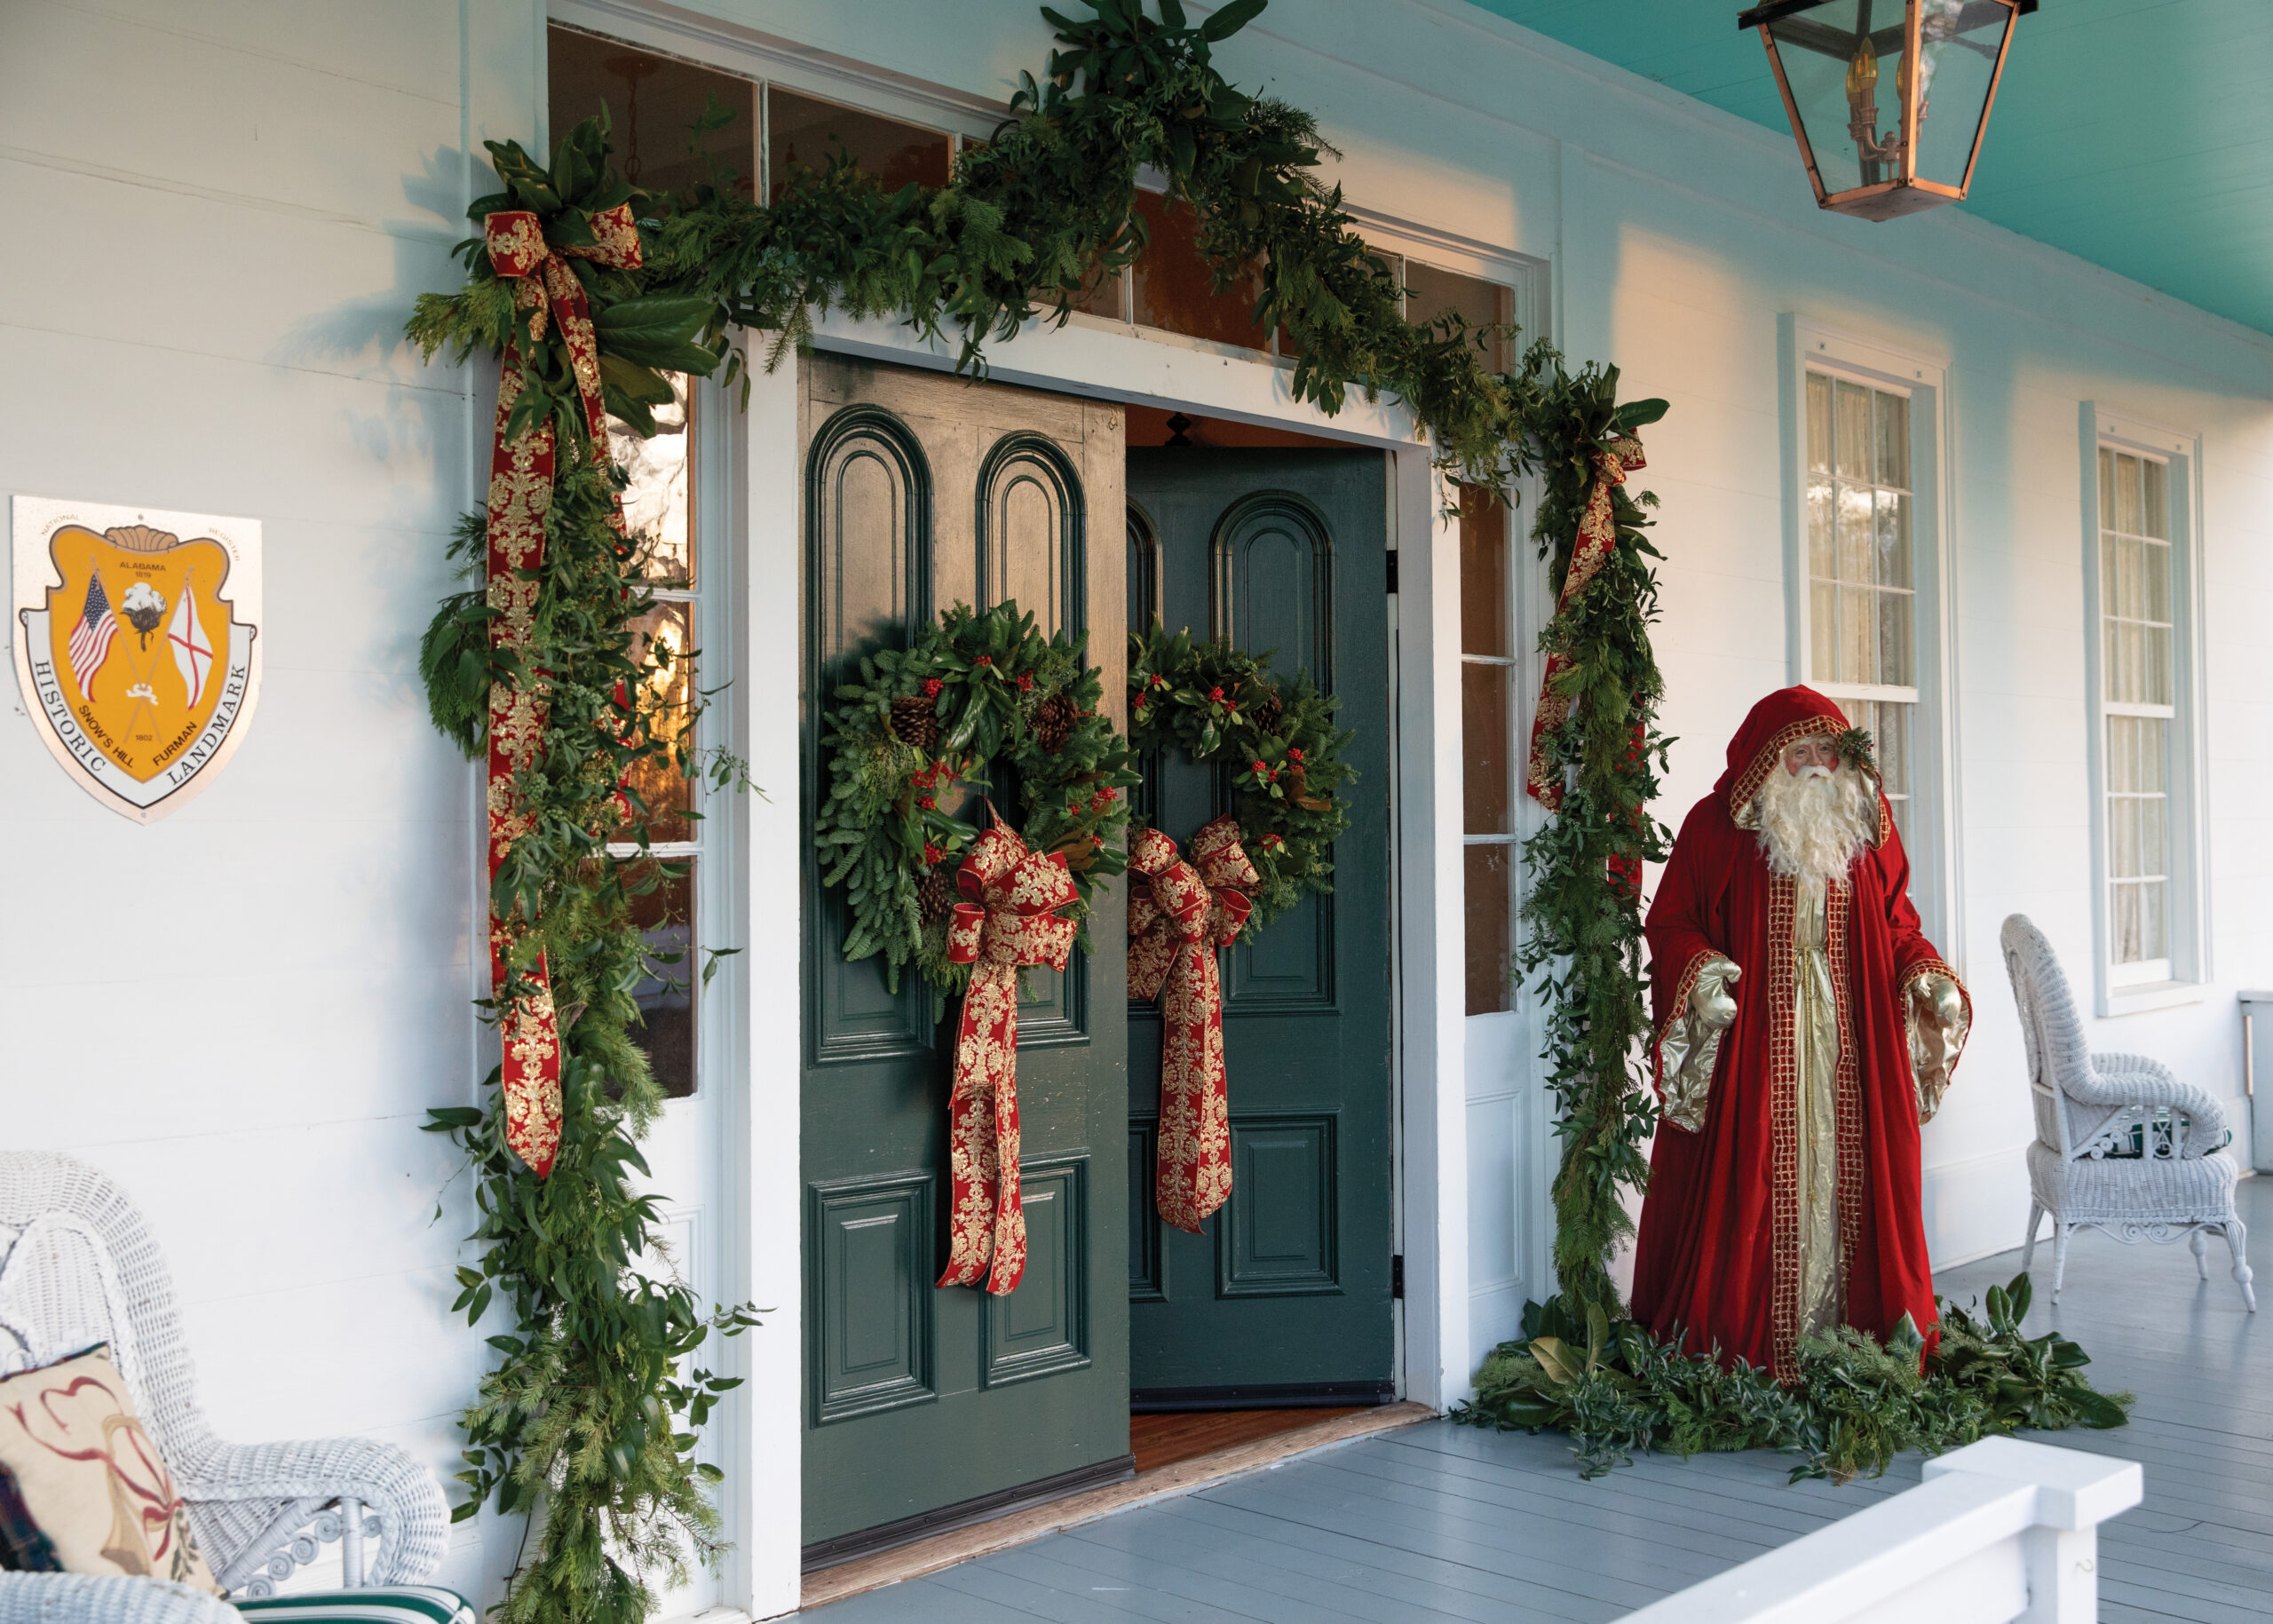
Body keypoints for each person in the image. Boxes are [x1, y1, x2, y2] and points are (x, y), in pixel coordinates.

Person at [1632, 685, 1969, 1380]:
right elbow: (1670, 923)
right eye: (1799, 753)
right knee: (1753, 1184)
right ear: (1766, 762)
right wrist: (1702, 973)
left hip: (1855, 1048)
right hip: (1757, 1049)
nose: (1817, 766)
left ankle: (1860, 1340)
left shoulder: (1867, 831)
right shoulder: (1715, 829)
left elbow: (1898, 924)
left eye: (1827, 751)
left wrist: (1924, 973)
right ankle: (1756, 1352)